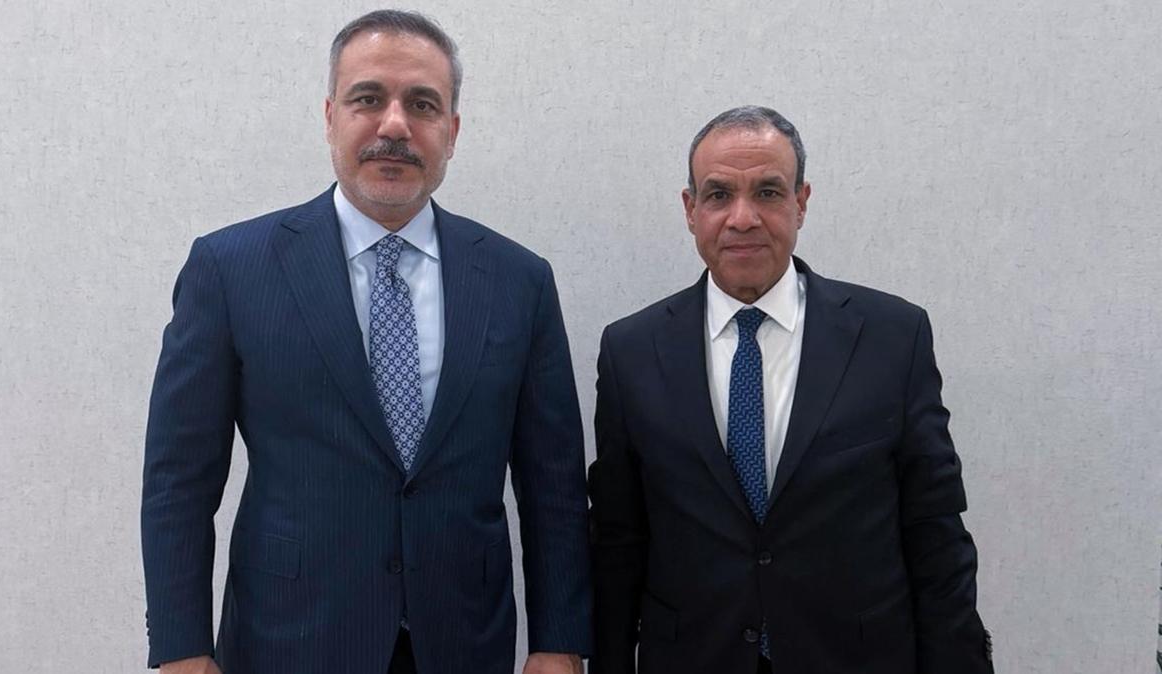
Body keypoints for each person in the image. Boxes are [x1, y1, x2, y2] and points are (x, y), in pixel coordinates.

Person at [141, 10, 591, 674]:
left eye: (423, 104)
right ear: (331, 117)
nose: (394, 126)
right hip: (289, 641)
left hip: (463, 641)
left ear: (452, 131)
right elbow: (179, 479)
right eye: (368, 98)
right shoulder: (231, 270)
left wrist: (559, 641)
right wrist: (182, 648)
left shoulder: (519, 280)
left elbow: (553, 486)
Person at [587, 106, 993, 674]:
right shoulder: (631, 351)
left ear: (801, 202)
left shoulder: (892, 338)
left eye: (768, 192)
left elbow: (934, 531)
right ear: (690, 209)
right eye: (719, 194)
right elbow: (617, 543)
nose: (743, 218)